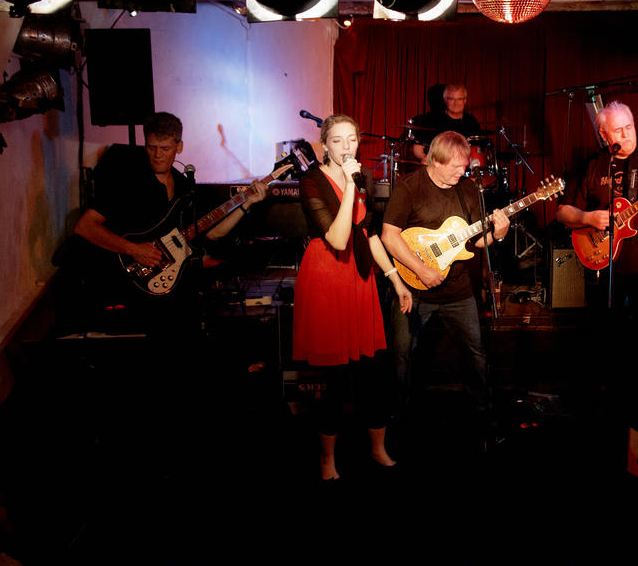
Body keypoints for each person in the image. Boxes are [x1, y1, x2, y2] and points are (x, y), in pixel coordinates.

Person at [292, 114, 413, 482]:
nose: (347, 147)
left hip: (359, 280)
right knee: (333, 378)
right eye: (338, 141)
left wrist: (395, 278)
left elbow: (369, 233)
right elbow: (338, 237)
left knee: (373, 372)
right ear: (324, 145)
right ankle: (327, 459)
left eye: (352, 140)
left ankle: (377, 448)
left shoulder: (363, 178)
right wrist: (347, 184)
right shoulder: (311, 181)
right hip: (327, 278)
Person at [73, 111, 269, 330]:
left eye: (165, 148)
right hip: (126, 286)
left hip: (170, 291)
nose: (157, 155)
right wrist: (134, 249)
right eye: (151, 147)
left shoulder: (185, 188)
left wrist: (245, 204)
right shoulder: (128, 182)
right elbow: (85, 227)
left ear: (179, 147)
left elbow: (212, 233)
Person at [381, 131, 509, 415]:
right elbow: (389, 236)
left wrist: (498, 234)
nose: (462, 172)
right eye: (455, 166)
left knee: (476, 353)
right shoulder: (409, 187)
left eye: (464, 166)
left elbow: (477, 241)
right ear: (435, 161)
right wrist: (421, 269)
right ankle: (399, 416)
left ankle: (483, 412)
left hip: (457, 290)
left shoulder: (467, 189)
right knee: (402, 355)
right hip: (413, 287)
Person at [557, 101, 638, 321]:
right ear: (604, 135)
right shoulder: (591, 165)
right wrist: (587, 217)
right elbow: (562, 213)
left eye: (630, 127)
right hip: (604, 268)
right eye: (618, 130)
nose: (626, 135)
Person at [410, 84, 483, 162]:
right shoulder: (433, 119)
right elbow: (418, 146)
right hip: (439, 165)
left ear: (465, 100)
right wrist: (423, 158)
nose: (456, 103)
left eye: (459, 99)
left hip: (464, 165)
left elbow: (479, 149)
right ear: (445, 100)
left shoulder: (471, 121)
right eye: (451, 99)